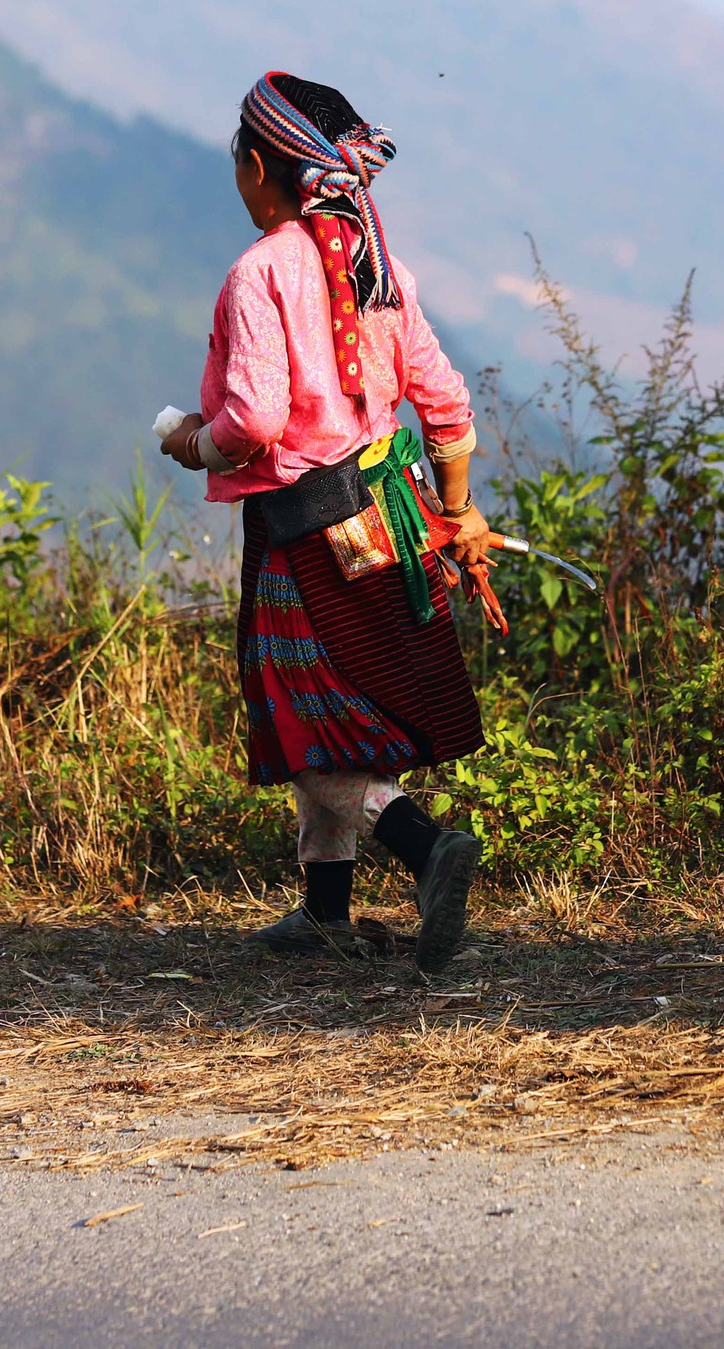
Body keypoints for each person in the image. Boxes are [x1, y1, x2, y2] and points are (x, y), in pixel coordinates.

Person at [161, 71, 491, 973]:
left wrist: (195, 444)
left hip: (302, 532)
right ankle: (324, 915)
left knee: (304, 717)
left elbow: (255, 424)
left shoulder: (259, 273)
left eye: (240, 162)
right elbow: (449, 408)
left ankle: (424, 847)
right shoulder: (381, 269)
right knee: (341, 712)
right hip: (389, 520)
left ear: (261, 167)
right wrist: (457, 516)